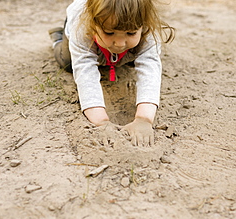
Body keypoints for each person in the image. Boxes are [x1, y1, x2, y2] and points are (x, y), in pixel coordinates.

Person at [49, 0, 174, 146]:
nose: (119, 43)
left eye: (131, 32)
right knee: (67, 62)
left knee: (130, 55)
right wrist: (101, 122)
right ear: (93, 23)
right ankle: (58, 38)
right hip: (82, 34)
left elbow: (149, 68)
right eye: (109, 32)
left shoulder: (148, 28)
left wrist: (144, 119)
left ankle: (115, 51)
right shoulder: (81, 28)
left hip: (117, 39)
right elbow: (85, 71)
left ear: (143, 25)